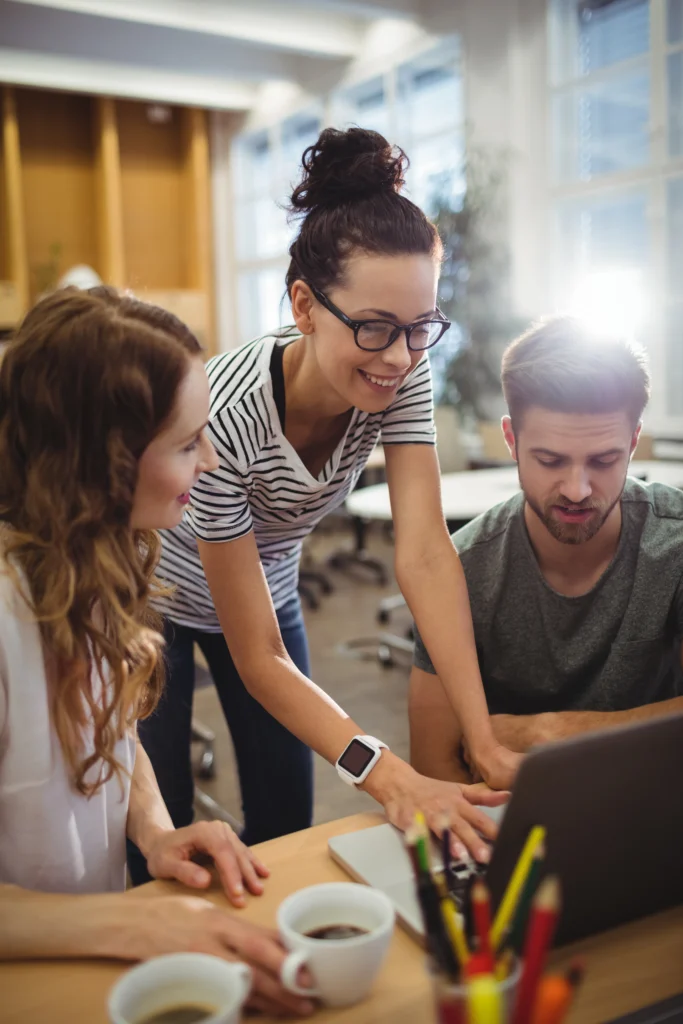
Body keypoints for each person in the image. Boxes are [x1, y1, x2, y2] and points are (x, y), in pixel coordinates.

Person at [130, 126, 515, 882]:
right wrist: (388, 773)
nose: (398, 357)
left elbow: (425, 553)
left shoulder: (400, 379)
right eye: (373, 327)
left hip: (267, 593)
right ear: (304, 305)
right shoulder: (229, 414)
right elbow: (257, 657)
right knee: (163, 832)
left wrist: (484, 737)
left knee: (284, 821)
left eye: (419, 330)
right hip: (159, 603)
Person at [0, 288, 315, 1018]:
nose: (209, 460)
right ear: (102, 463)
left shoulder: (92, 564)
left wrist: (155, 829)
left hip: (90, 963)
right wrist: (132, 921)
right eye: (185, 443)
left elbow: (110, 735)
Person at [409, 316, 683, 782]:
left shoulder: (674, 545)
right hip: (510, 826)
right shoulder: (459, 568)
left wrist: (555, 732)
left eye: (603, 460)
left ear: (634, 442)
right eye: (550, 460)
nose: (577, 490)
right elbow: (436, 769)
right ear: (512, 441)